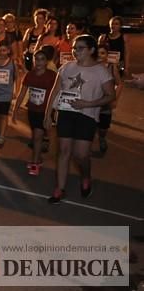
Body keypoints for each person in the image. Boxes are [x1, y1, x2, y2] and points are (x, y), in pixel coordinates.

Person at [45, 34, 115, 204]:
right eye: (75, 48)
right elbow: (55, 91)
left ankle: (86, 177)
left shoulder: (101, 71)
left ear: (91, 50)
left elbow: (110, 95)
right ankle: (59, 189)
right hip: (66, 113)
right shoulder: (67, 67)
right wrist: (48, 114)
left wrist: (88, 103)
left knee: (81, 154)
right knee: (63, 151)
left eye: (80, 48)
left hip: (87, 115)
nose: (76, 51)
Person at [12, 49, 57, 175]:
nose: (39, 62)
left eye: (42, 59)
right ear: (33, 60)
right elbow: (22, 93)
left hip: (45, 110)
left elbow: (56, 93)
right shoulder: (30, 75)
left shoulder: (52, 76)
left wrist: (55, 111)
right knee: (36, 135)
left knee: (37, 136)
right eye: (36, 59)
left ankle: (35, 163)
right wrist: (15, 110)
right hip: (32, 110)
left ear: (47, 62)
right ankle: (38, 157)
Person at [95, 43, 123, 154]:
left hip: (106, 103)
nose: (100, 55)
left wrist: (115, 99)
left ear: (107, 54)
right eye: (97, 53)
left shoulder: (111, 67)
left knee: (103, 127)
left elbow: (119, 84)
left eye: (102, 53)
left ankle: (102, 138)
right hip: (92, 102)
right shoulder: (90, 66)